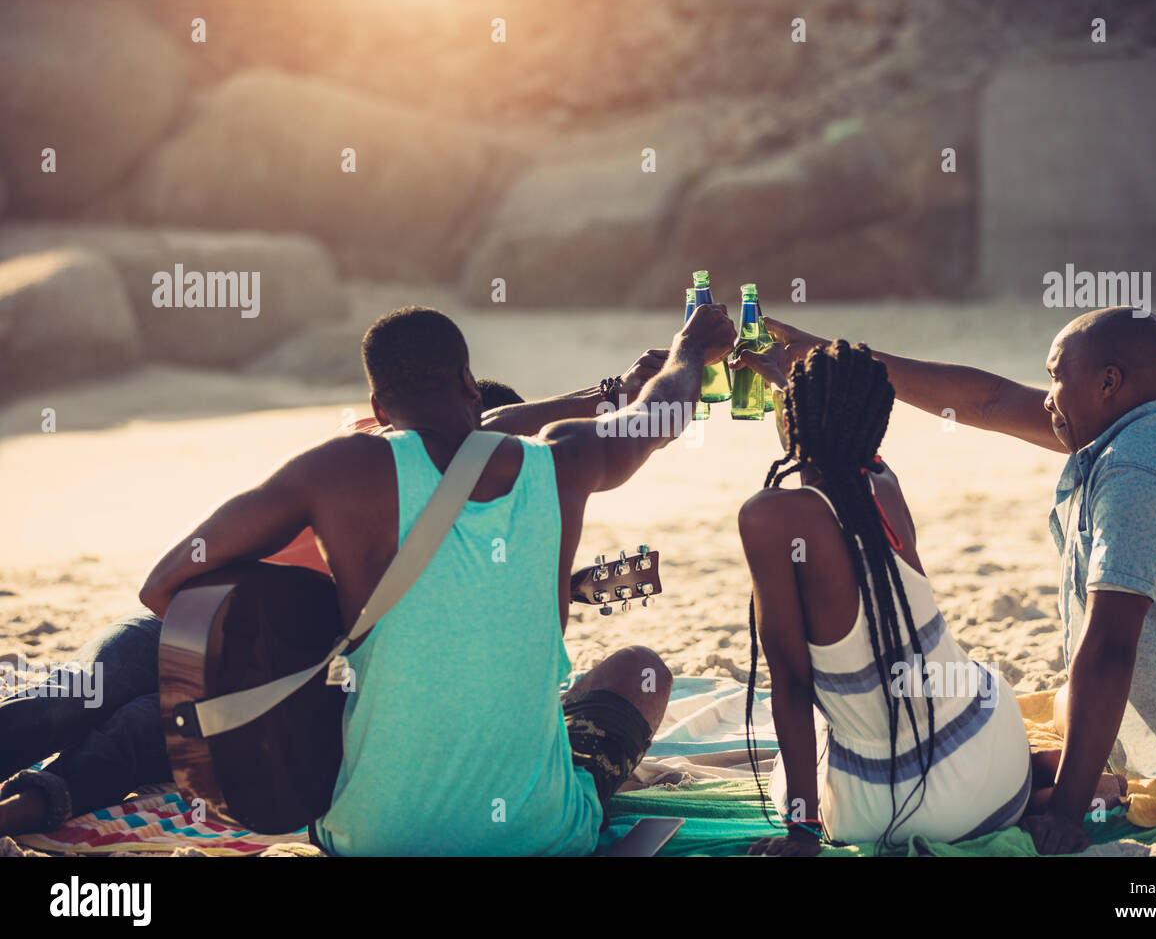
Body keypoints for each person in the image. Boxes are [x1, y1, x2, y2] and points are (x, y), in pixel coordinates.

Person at [0, 320, 720, 856]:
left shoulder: (338, 469)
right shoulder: (562, 462)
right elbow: (660, 416)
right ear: (469, 384)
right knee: (641, 671)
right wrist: (694, 348)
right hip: (531, 836)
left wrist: (308, 638)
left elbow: (165, 584)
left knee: (111, 707)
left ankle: (34, 798)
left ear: (377, 401)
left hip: (365, 832)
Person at [738, 308, 1156, 855]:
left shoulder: (1136, 483)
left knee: (1074, 703)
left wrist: (1065, 813)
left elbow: (1108, 649)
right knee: (1061, 709)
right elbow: (990, 400)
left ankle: (1067, 788)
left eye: (1056, 377)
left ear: (1108, 382)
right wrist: (831, 359)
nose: (1047, 394)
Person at [733, 339, 1034, 855]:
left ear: (792, 419)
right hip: (999, 767)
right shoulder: (882, 482)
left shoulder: (768, 517)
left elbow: (789, 681)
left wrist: (802, 830)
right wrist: (788, 384)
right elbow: (835, 447)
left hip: (892, 811)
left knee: (793, 760)